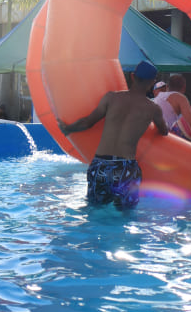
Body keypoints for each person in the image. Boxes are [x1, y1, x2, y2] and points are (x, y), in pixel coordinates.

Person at [58, 60, 168, 210]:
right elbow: (164, 131)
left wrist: (67, 128)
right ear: (152, 82)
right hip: (125, 167)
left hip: (101, 165)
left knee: (94, 211)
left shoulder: (111, 98)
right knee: (126, 213)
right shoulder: (153, 109)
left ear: (132, 76)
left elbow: (87, 122)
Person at [154, 74, 191, 141]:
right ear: (184, 88)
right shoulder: (180, 98)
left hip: (154, 136)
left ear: (167, 86)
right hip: (166, 138)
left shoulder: (158, 96)